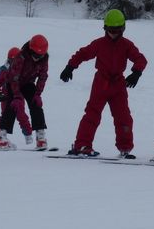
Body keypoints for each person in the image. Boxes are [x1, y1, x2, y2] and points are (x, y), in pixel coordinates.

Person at [60, 9, 147, 158]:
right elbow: (83, 53)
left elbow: (140, 59)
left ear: (123, 29)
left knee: (123, 116)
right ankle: (82, 145)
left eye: (116, 31)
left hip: (119, 85)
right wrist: (70, 66)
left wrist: (136, 73)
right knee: (92, 114)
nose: (113, 34)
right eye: (110, 30)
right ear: (105, 29)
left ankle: (125, 148)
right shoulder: (99, 44)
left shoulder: (127, 45)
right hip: (101, 83)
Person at [0, 34, 49, 150]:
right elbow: (14, 77)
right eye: (35, 55)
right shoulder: (21, 56)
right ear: (30, 50)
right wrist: (17, 96)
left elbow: (43, 76)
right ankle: (0, 137)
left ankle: (40, 137)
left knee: (36, 104)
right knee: (12, 105)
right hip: (13, 82)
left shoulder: (44, 58)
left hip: (28, 82)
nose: (37, 58)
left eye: (40, 56)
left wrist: (38, 94)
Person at [0, 47, 33, 143]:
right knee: (5, 115)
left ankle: (28, 133)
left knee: (21, 114)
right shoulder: (3, 70)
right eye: (12, 60)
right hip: (6, 97)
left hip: (18, 96)